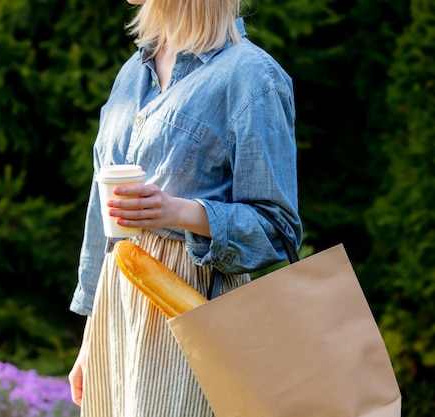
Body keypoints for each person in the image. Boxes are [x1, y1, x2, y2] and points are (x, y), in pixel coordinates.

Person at [68, 0, 303, 415]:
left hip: (192, 312)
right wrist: (91, 335)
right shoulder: (131, 73)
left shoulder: (251, 76)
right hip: (115, 315)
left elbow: (278, 230)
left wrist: (177, 212)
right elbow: (99, 216)